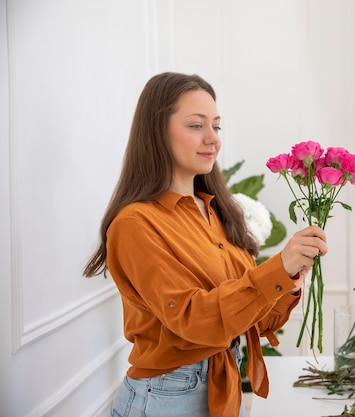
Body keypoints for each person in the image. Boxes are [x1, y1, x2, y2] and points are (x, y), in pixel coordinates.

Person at [83, 72, 328, 417]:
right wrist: (277, 270)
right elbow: (193, 320)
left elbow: (250, 321)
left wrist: (289, 281)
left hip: (222, 386)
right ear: (157, 132)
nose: (212, 138)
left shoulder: (217, 212)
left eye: (216, 126)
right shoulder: (135, 224)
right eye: (196, 125)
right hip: (168, 398)